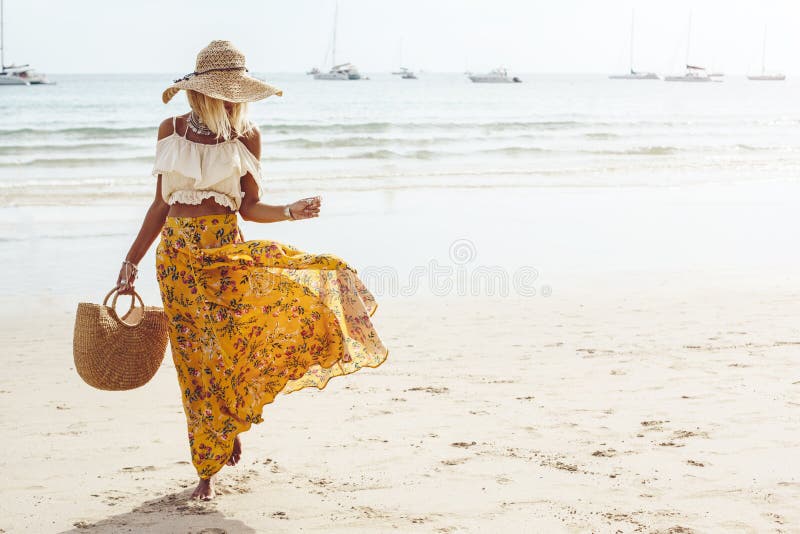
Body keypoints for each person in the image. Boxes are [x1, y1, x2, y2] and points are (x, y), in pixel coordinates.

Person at [116, 41, 388, 501]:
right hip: (177, 262)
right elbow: (161, 205)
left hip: (226, 255)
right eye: (223, 92)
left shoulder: (247, 137)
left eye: (235, 93)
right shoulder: (170, 129)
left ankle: (228, 421)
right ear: (201, 92)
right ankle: (207, 466)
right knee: (194, 362)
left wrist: (291, 211)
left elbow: (250, 208)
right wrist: (130, 262)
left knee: (231, 347)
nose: (230, 100)